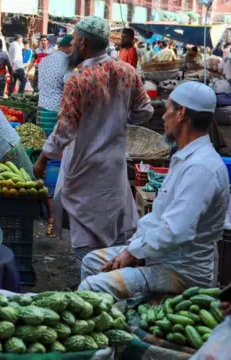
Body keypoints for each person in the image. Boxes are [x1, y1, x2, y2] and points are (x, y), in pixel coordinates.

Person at [79, 82, 229, 299]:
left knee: (93, 287)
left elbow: (175, 230)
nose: (163, 117)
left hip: (181, 271)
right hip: (162, 256)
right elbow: (158, 219)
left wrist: (133, 252)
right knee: (92, 261)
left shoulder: (200, 167)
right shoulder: (186, 158)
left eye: (168, 109)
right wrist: (134, 247)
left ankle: (114, 325)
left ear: (181, 113)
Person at [33, 16, 153, 270]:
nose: (74, 44)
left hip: (84, 165)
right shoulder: (127, 72)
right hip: (114, 165)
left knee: (87, 237)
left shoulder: (78, 78)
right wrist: (120, 115)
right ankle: (113, 286)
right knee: (114, 229)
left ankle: (93, 289)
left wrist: (43, 160)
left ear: (83, 43)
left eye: (75, 39)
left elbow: (64, 130)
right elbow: (145, 111)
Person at [35, 34, 73, 237]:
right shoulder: (67, 63)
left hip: (42, 111)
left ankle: (48, 209)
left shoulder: (45, 60)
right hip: (57, 113)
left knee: (47, 157)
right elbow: (69, 90)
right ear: (69, 47)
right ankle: (54, 214)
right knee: (56, 161)